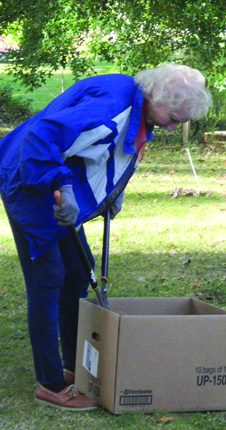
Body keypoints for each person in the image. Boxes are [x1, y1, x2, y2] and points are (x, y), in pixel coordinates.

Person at [0, 63, 212, 410]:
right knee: (48, 277)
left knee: (78, 276)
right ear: (157, 97)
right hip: (29, 179)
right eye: (174, 117)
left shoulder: (135, 101)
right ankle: (50, 384)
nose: (175, 126)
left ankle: (72, 367)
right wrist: (61, 186)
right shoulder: (113, 106)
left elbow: (111, 149)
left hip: (56, 186)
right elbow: (42, 136)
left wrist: (113, 192)